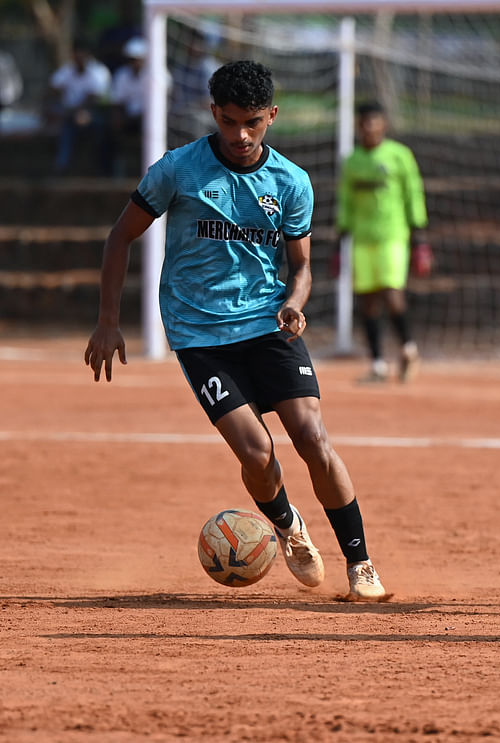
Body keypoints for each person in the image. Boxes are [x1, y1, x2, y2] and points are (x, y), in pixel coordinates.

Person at [84, 60, 389, 601]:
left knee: (313, 439)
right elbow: (118, 238)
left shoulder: (291, 182)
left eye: (251, 122)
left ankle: (360, 563)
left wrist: (295, 303)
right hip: (199, 334)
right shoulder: (177, 170)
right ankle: (288, 525)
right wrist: (108, 321)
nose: (240, 135)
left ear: (271, 115)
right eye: (228, 122)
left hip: (268, 323)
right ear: (213, 113)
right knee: (256, 453)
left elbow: (302, 267)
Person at [336, 100, 431, 383]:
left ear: (384, 124)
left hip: (393, 236)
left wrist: (420, 238)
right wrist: (340, 239)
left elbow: (413, 193)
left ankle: (408, 348)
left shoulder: (399, 155)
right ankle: (378, 364)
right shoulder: (352, 161)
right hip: (362, 238)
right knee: (367, 301)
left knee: (392, 293)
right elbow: (346, 201)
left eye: (373, 121)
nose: (368, 127)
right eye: (363, 122)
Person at [48, 39, 111, 173]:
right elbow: (53, 89)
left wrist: (80, 112)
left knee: (78, 122)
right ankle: (62, 165)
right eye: (76, 55)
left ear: (88, 56)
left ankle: (98, 167)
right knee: (65, 122)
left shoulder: (99, 72)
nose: (78, 58)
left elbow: (94, 98)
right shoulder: (67, 70)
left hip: (96, 113)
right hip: (70, 113)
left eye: (82, 55)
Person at [104, 37, 154, 176]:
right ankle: (113, 174)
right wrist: (117, 118)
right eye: (131, 59)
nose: (134, 63)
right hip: (128, 118)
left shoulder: (155, 74)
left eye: (136, 59)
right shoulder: (122, 75)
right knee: (108, 129)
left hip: (149, 118)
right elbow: (118, 102)